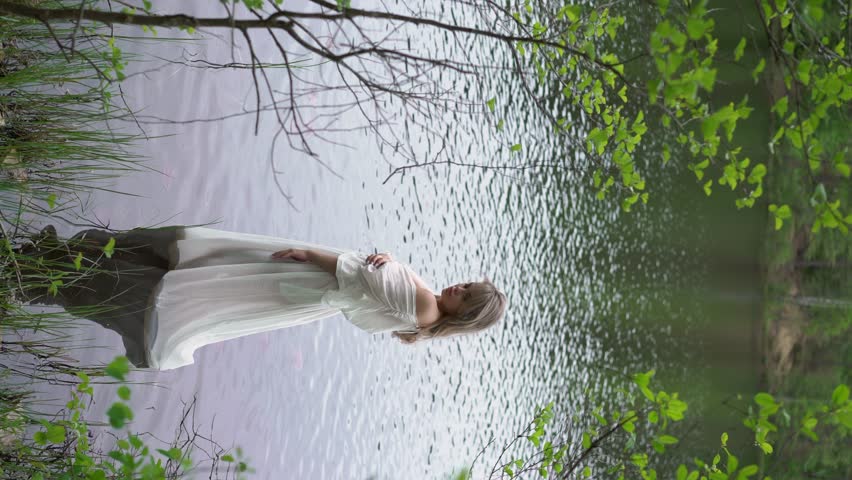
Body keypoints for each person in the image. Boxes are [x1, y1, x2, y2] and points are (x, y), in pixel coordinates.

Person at [28, 226, 507, 370]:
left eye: (466, 296)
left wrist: (307, 252)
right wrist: (394, 259)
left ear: (464, 314)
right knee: (214, 268)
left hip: (312, 280)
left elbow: (357, 271)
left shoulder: (425, 308)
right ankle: (63, 264)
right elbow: (390, 277)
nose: (458, 288)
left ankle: (64, 267)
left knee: (212, 267)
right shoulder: (425, 315)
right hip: (313, 295)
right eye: (466, 284)